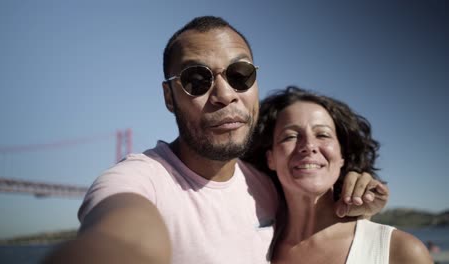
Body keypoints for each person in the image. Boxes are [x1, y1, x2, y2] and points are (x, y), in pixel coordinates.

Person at [44, 16, 388, 264]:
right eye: (197, 79)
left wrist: (354, 202)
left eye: (240, 75)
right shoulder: (137, 181)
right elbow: (121, 236)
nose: (224, 95)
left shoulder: (266, 186)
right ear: (169, 97)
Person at [244, 86, 431, 263]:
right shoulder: (254, 248)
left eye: (323, 135)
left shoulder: (399, 250)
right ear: (271, 159)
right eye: (290, 136)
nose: (308, 146)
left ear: (342, 156)